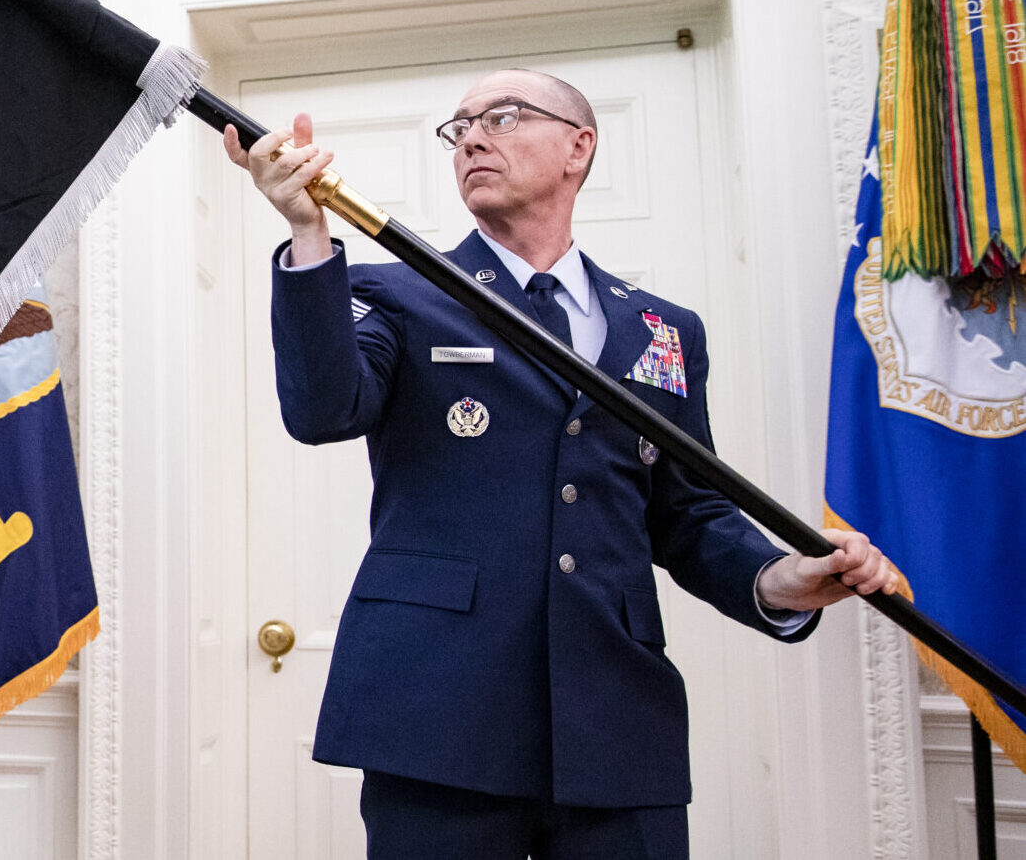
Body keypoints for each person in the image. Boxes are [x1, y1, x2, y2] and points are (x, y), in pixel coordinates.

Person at [226, 69, 898, 860]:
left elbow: (688, 513)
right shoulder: (399, 294)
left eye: (503, 118)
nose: (472, 137)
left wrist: (778, 579)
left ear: (579, 147)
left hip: (616, 721)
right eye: (461, 127)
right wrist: (310, 235)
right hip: (438, 715)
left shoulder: (663, 330)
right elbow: (322, 410)